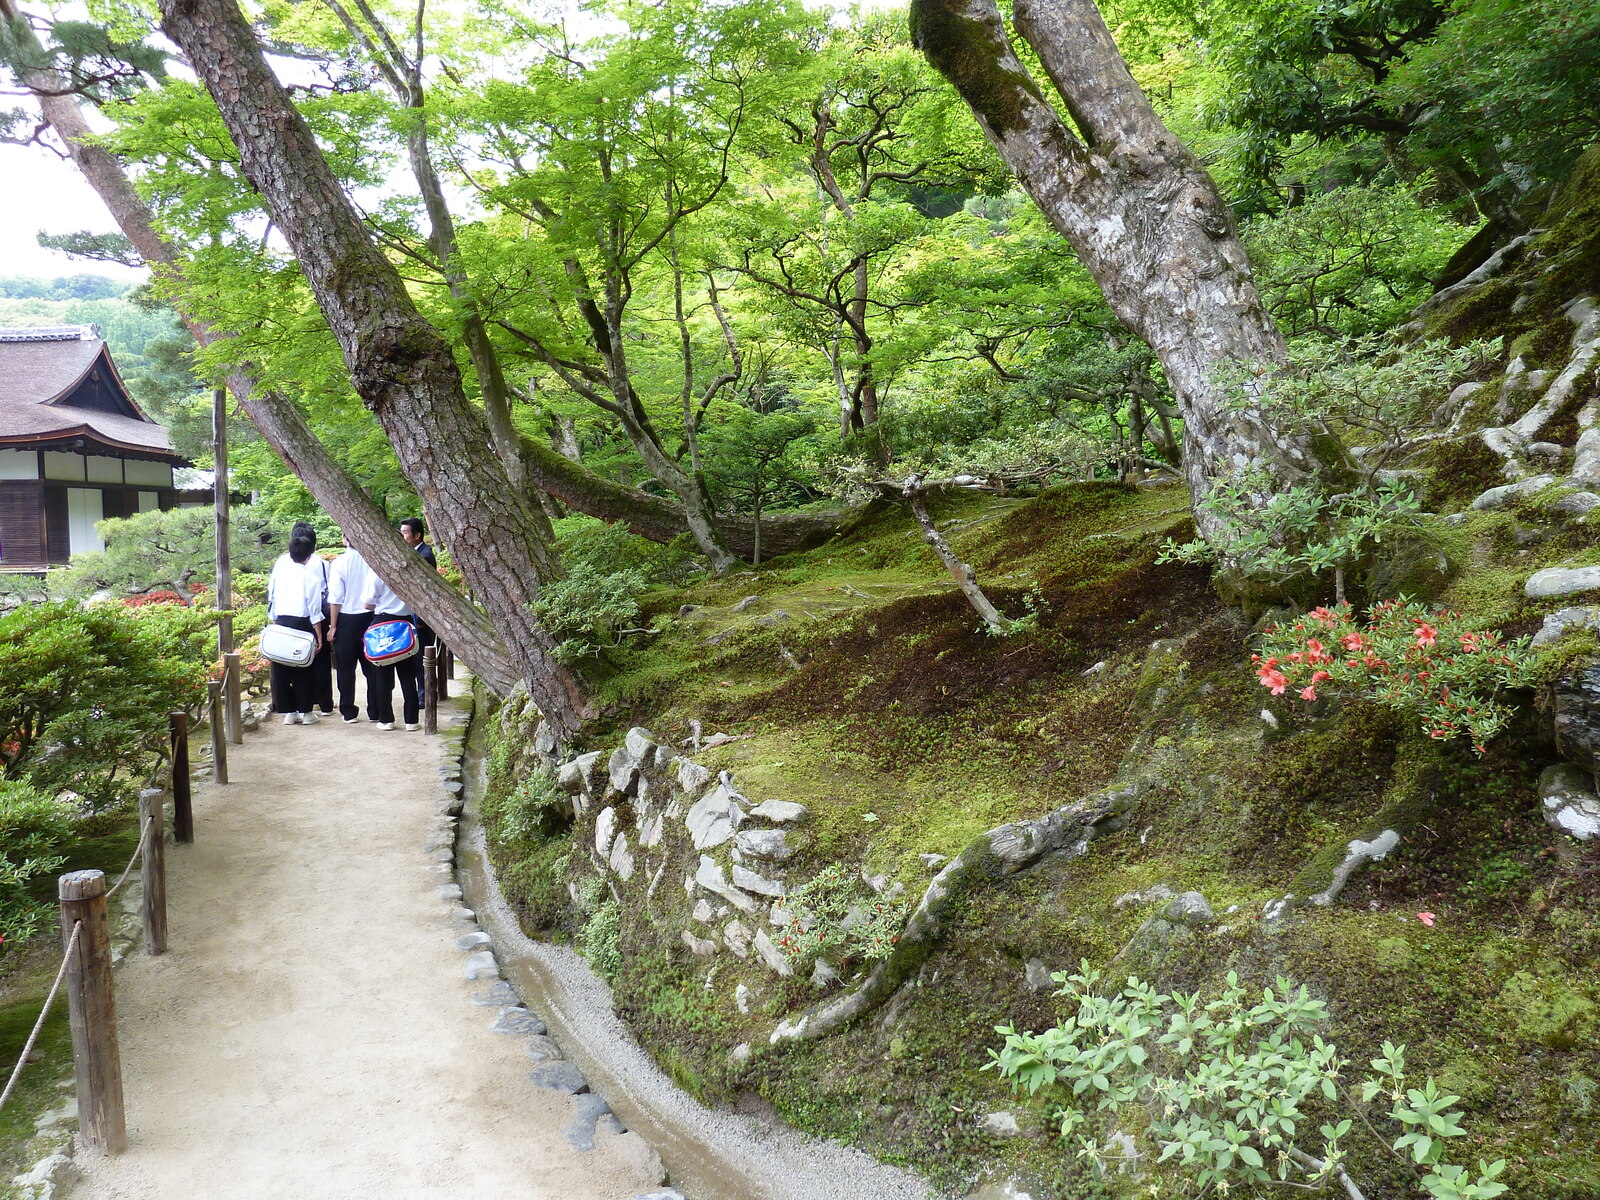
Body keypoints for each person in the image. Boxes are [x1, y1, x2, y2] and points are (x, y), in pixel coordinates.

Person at [265, 533, 325, 725]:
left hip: (281, 622)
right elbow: (314, 610)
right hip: (302, 624)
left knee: (281, 668)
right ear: (310, 555)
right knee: (304, 668)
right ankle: (306, 712)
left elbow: (271, 600)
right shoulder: (312, 579)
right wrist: (319, 635)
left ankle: (289, 712)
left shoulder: (280, 576)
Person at [360, 567, 421, 732]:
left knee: (382, 675)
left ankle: (386, 719)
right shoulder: (410, 570)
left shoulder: (378, 571)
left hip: (383, 625)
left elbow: (367, 604)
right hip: (405, 625)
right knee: (408, 676)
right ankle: (412, 720)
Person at [327, 532, 377, 724]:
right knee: (372, 666)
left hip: (346, 619)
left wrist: (333, 626)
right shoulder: (372, 560)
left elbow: (335, 598)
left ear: (344, 539)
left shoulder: (339, 562)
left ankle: (348, 711)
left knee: (345, 668)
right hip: (370, 617)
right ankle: (376, 709)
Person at [400, 516, 438, 704]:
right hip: (414, 613)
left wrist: (422, 618)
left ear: (417, 534)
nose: (402, 536)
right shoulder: (415, 552)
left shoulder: (425, 555)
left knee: (421, 656)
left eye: (405, 532)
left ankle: (425, 695)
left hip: (420, 615)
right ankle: (422, 693)